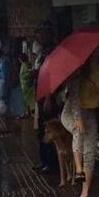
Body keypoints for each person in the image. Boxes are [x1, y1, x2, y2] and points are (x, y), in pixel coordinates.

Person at [63, 46, 99, 197]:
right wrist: (77, 117)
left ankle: (85, 193)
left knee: (90, 151)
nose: (97, 52)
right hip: (73, 111)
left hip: (90, 111)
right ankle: (79, 170)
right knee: (78, 131)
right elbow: (73, 96)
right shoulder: (78, 70)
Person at [32, 21, 59, 174]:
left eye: (41, 34)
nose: (39, 38)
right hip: (40, 94)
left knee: (49, 129)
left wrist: (49, 97)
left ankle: (51, 163)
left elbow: (52, 76)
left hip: (48, 96)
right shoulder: (42, 52)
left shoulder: (52, 52)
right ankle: (45, 161)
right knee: (42, 130)